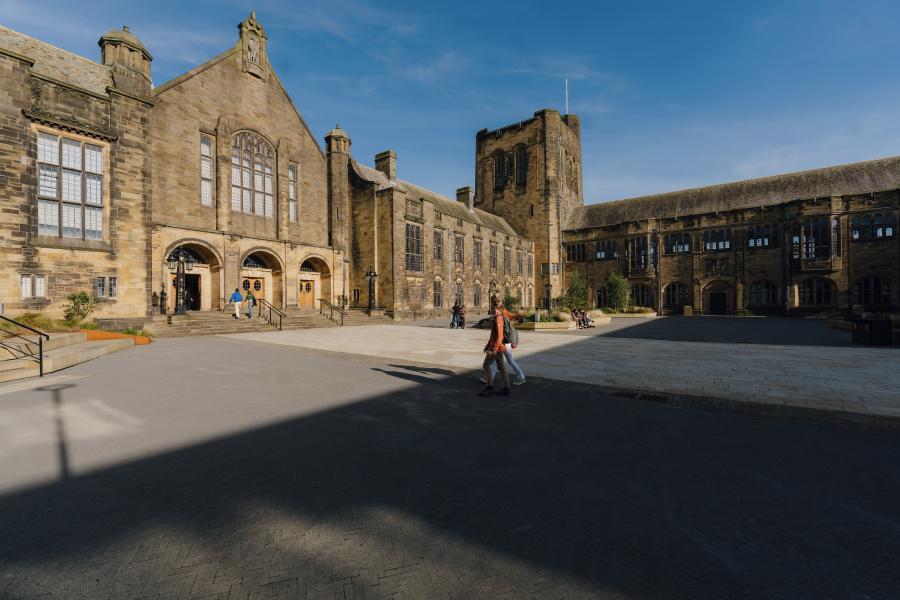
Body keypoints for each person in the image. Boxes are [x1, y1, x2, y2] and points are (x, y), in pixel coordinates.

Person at [486, 302, 526, 385]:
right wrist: (518, 316)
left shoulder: (501, 315)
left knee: (507, 361)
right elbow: (512, 316)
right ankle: (490, 379)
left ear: (498, 307)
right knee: (495, 362)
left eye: (494, 307)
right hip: (504, 342)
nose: (493, 309)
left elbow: (501, 333)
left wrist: (496, 345)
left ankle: (521, 376)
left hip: (504, 342)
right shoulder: (505, 312)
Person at [480, 297, 510, 397]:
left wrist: (494, 349)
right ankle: (506, 388)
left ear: (495, 307)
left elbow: (499, 336)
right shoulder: (497, 317)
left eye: (491, 306)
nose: (490, 308)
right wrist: (488, 345)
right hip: (498, 347)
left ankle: (490, 387)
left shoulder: (498, 318)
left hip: (497, 348)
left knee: (486, 365)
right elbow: (493, 335)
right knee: (501, 367)